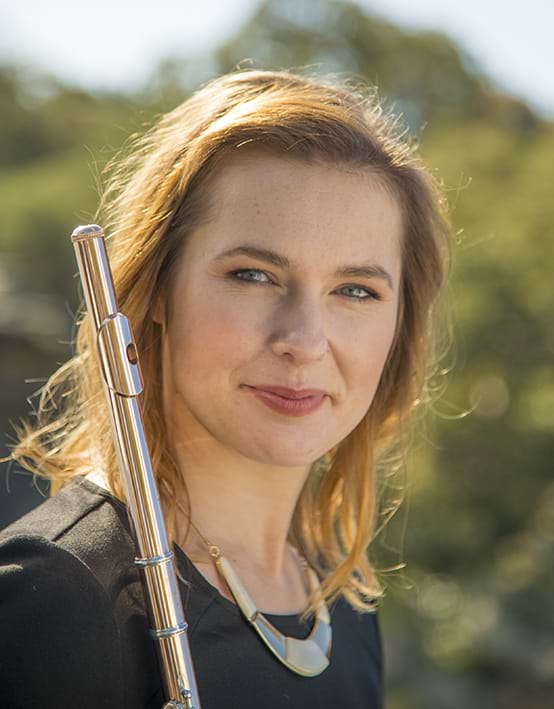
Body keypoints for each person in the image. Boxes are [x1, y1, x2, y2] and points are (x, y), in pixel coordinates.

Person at [0, 69, 452, 708]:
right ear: (157, 290)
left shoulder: (341, 599)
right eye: (253, 275)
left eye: (356, 290)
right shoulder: (58, 598)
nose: (304, 340)